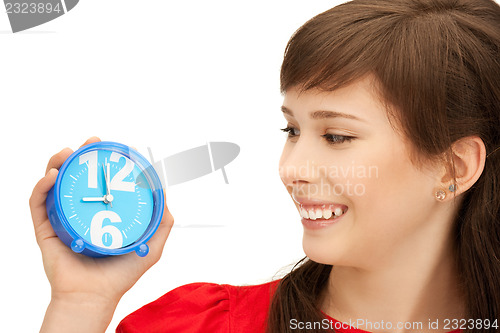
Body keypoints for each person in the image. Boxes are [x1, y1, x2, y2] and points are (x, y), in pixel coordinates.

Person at [29, 0, 500, 332]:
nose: (291, 168)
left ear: (453, 167)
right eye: (291, 130)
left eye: (336, 136)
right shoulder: (198, 326)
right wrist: (79, 306)